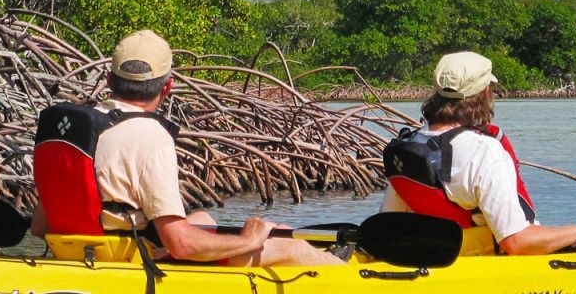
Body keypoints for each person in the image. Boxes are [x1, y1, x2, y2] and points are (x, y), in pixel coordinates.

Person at [30, 29, 342, 266]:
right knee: (292, 245)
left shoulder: (78, 130)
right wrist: (249, 240)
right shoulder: (150, 137)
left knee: (204, 218)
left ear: (110, 80)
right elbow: (180, 244)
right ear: (167, 87)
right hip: (128, 259)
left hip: (79, 247)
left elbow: (39, 226)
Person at [380, 51, 576, 255]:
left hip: (445, 257)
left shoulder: (408, 148)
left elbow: (388, 222)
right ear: (484, 93)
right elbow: (517, 242)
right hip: (495, 262)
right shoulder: (484, 152)